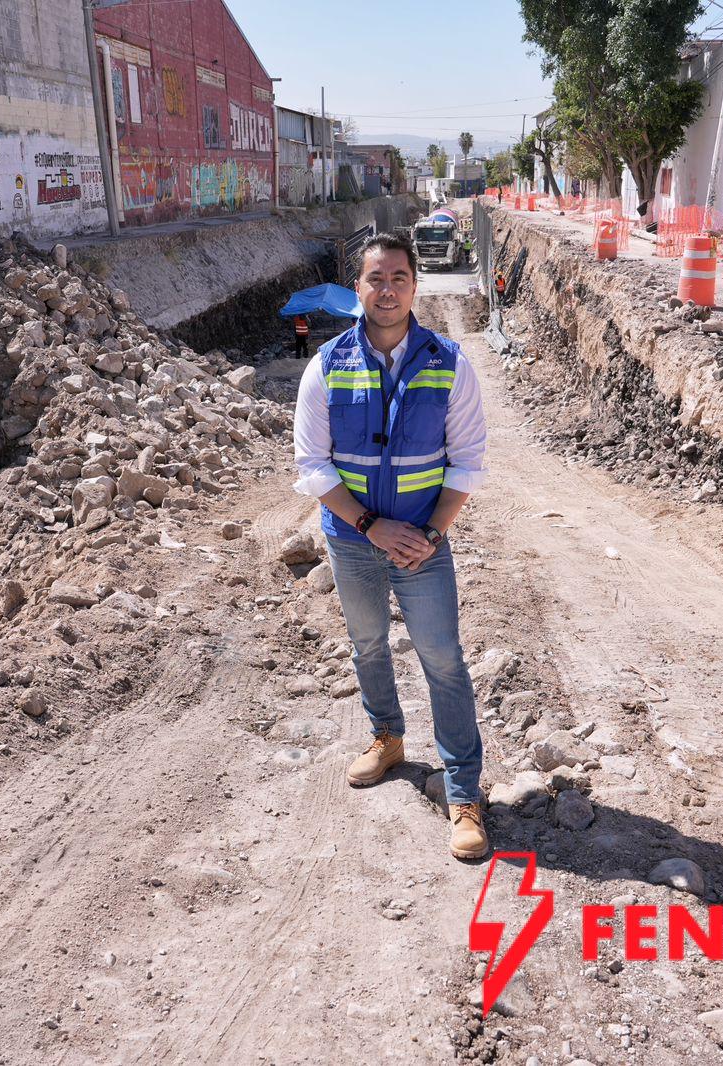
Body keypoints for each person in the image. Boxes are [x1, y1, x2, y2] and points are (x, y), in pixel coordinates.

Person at [291, 233, 490, 860]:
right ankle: (386, 738)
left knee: (443, 658)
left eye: (399, 278)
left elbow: (468, 464)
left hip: (424, 544)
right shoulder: (325, 365)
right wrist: (371, 527)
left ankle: (462, 792)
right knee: (368, 644)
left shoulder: (450, 362)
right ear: (359, 288)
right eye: (376, 278)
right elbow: (312, 465)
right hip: (354, 541)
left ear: (414, 285)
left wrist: (429, 534)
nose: (387, 289)